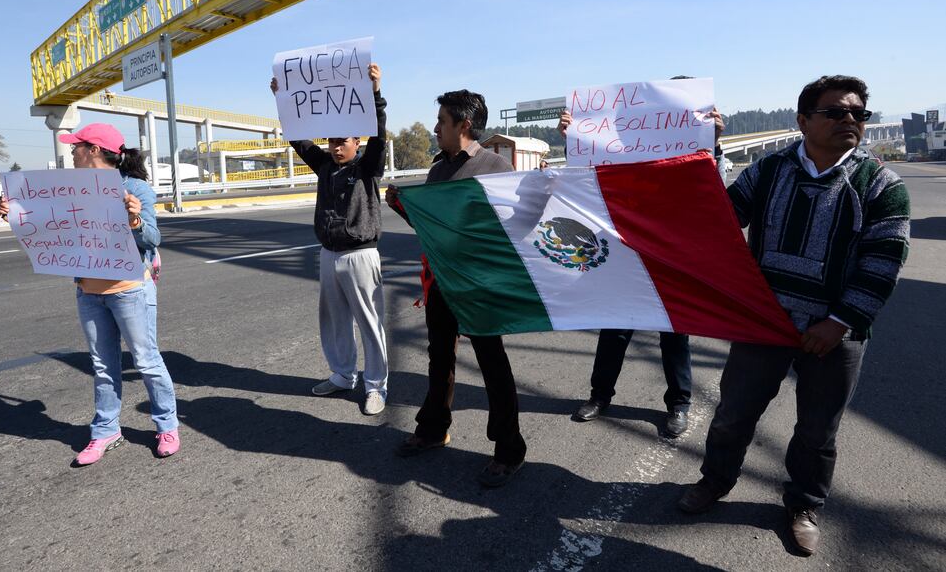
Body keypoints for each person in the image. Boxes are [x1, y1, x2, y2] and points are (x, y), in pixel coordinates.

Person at [677, 76, 910, 556]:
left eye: (859, 114)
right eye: (836, 112)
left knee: (817, 432)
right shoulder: (768, 171)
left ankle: (804, 505)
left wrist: (839, 322)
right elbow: (717, 219)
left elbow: (884, 263)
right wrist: (707, 150)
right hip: (765, 324)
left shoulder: (882, 185)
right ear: (803, 121)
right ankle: (714, 481)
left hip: (836, 334)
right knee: (733, 415)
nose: (850, 120)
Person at [0, 123, 180, 465]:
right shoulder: (68, 190)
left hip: (129, 289)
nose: (71, 151)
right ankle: (106, 430)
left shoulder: (134, 188)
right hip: (88, 290)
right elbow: (48, 228)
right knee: (103, 365)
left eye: (76, 146)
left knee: (146, 360)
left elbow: (152, 240)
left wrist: (135, 221)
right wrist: (17, 216)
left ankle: (167, 425)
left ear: (94, 150)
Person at [556, 104, 726, 438]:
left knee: (674, 335)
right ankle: (600, 396)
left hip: (671, 258)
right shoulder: (629, 150)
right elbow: (590, 176)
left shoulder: (694, 157)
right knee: (615, 330)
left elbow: (713, 193)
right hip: (627, 255)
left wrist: (714, 144)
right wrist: (573, 141)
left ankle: (679, 404)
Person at [386, 89, 527, 488]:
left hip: (480, 285)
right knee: (440, 358)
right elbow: (434, 230)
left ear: (463, 125)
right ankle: (433, 429)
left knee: (492, 364)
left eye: (441, 122)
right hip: (442, 281)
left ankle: (509, 449)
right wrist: (404, 208)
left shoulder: (496, 168)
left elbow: (512, 228)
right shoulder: (438, 171)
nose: (435, 129)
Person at [270, 64, 389, 416]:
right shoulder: (323, 165)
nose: (336, 148)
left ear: (357, 143)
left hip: (360, 255)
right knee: (334, 320)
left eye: (343, 142)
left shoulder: (367, 167)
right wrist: (282, 99)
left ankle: (375, 386)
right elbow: (298, 138)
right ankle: (343, 374)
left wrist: (376, 94)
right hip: (328, 253)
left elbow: (380, 137)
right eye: (332, 141)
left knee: (370, 323)